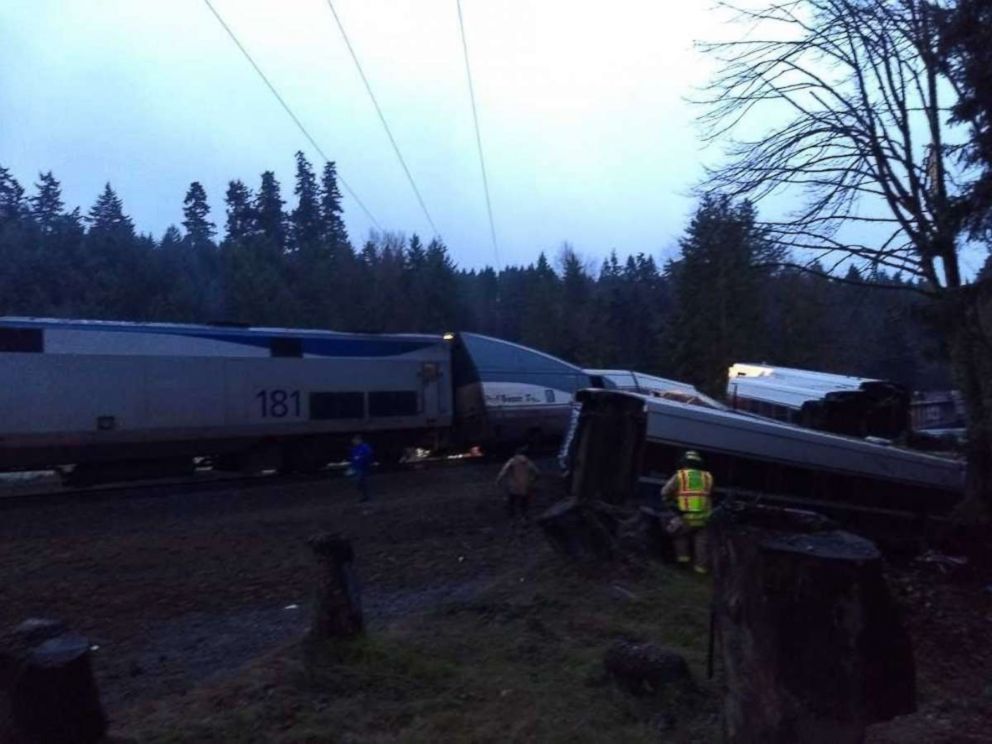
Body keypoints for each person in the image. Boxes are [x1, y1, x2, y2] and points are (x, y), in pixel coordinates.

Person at [661, 450, 714, 574]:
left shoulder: (681, 475)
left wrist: (671, 501)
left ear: (685, 463)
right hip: (704, 518)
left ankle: (682, 564)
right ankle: (700, 571)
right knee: (701, 543)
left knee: (678, 535)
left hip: (686, 516)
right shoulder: (708, 477)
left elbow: (664, 492)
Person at [496, 446, 540, 520]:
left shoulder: (512, 461)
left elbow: (504, 471)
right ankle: (524, 515)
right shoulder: (528, 462)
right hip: (525, 486)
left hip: (513, 486)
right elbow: (537, 473)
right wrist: (531, 482)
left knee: (511, 502)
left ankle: (512, 517)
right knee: (524, 503)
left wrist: (498, 480)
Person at [348, 434, 374, 502]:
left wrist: (365, 464)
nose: (354, 442)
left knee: (361, 482)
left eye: (355, 440)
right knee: (360, 482)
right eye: (353, 441)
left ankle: (366, 496)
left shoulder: (364, 448)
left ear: (359, 440)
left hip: (363, 467)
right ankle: (365, 496)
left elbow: (367, 456)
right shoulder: (355, 449)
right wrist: (352, 466)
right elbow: (353, 459)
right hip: (357, 467)